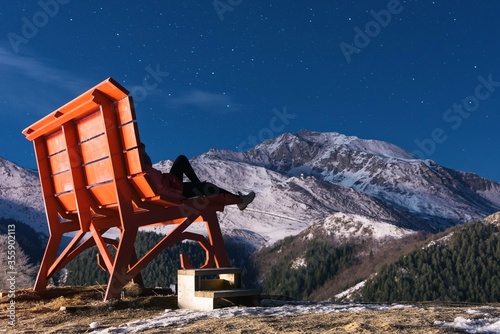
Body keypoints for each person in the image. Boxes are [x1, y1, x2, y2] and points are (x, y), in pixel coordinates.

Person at [140, 144, 255, 210]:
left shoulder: (138, 170)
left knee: (181, 160)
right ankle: (240, 201)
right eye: (144, 152)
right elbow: (161, 190)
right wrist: (179, 197)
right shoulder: (145, 169)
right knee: (207, 187)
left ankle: (198, 186)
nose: (146, 153)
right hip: (173, 191)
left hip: (170, 183)